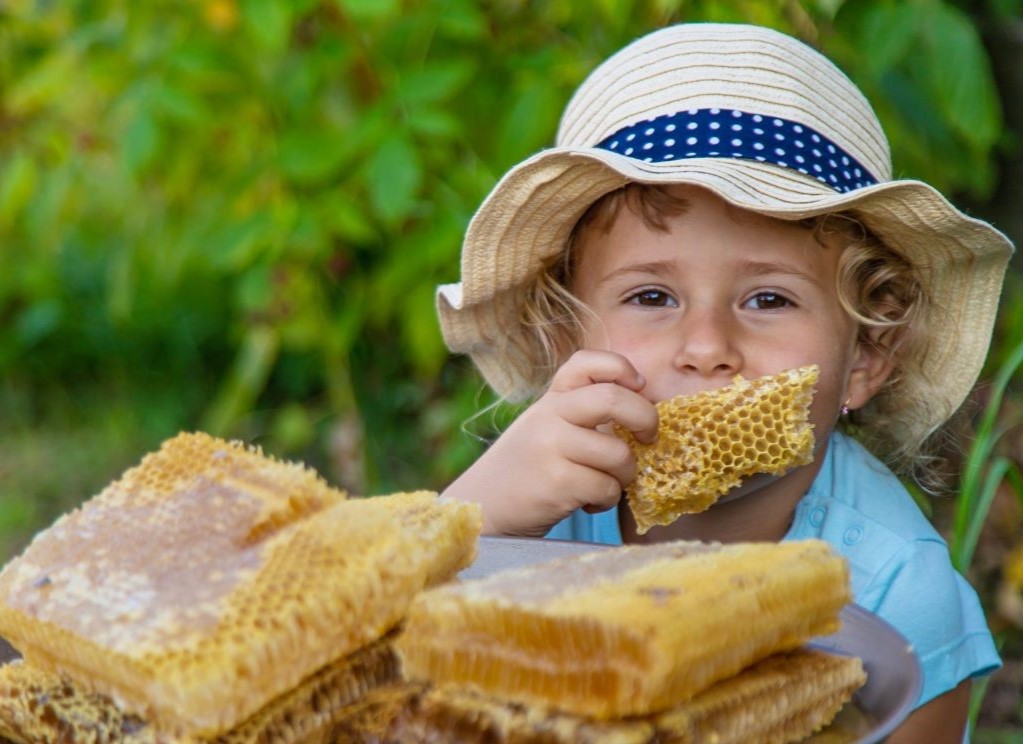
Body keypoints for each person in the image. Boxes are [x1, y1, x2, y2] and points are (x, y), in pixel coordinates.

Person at [436, 22, 1013, 743]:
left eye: (768, 300)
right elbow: (359, 665)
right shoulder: (529, 511)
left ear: (863, 358)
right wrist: (468, 524)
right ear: (564, 340)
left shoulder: (897, 600)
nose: (706, 349)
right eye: (651, 297)